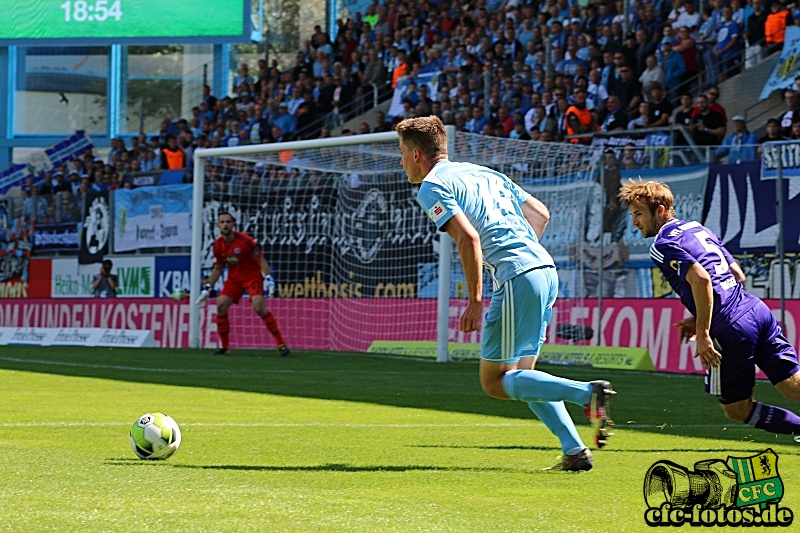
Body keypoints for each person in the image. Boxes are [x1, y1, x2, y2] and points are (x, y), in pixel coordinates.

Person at [396, 116, 615, 472]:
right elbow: (541, 214)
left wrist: (476, 298)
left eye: (402, 153)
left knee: (495, 382)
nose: (401, 161)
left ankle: (588, 394)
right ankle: (574, 451)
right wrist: (524, 257)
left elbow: (468, 239)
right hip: (544, 269)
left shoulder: (432, 187)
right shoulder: (483, 172)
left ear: (417, 154)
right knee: (525, 377)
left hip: (518, 276)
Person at [619, 180, 800, 439]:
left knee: (737, 410)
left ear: (659, 211)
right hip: (756, 311)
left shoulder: (661, 246)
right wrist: (698, 316)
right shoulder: (696, 228)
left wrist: (703, 332)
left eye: (638, 214)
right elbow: (735, 273)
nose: (635, 222)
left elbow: (702, 279)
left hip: (730, 330)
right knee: (793, 387)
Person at [198, 212, 290, 357]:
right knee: (221, 304)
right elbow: (218, 268)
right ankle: (224, 347)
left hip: (252, 277)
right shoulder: (217, 245)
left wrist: (267, 278)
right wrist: (207, 288)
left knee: (259, 307)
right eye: (222, 222)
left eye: (228, 222)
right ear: (218, 226)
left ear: (233, 224)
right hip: (234, 279)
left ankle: (281, 343)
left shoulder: (245, 241)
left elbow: (261, 260)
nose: (225, 224)